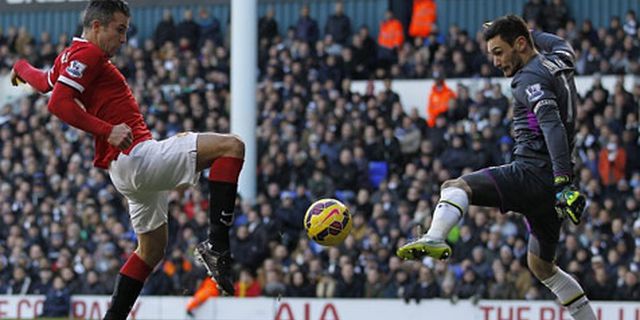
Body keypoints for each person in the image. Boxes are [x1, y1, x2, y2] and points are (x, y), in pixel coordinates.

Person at [10, 1, 244, 319]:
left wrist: (20, 67)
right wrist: (107, 130)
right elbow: (59, 105)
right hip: (136, 157)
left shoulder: (71, 57)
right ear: (97, 26)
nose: (123, 39)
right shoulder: (89, 54)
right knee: (232, 147)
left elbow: (44, 83)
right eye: (119, 30)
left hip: (125, 170)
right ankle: (218, 247)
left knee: (151, 250)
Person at [397, 15, 597, 320]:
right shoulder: (562, 56)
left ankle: (435, 236)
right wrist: (513, 27)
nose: (495, 61)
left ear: (519, 45)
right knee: (542, 266)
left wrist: (563, 183)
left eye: (499, 52)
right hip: (551, 189)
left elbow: (552, 126)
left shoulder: (529, 79)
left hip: (533, 174)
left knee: (455, 187)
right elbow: (548, 40)